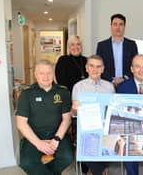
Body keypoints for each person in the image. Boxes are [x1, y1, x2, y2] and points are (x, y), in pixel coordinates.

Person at [15, 60, 74, 175]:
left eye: (49, 73)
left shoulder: (63, 92)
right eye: (42, 73)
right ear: (35, 75)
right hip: (34, 136)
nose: (46, 76)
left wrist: (56, 140)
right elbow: (21, 123)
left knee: (67, 158)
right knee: (26, 163)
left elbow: (67, 119)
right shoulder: (26, 94)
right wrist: (39, 143)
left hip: (57, 135)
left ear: (53, 74)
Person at [72, 55, 115, 175]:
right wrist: (74, 109)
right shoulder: (78, 87)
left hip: (106, 130)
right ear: (86, 68)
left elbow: (113, 110)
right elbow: (74, 114)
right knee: (87, 146)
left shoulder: (110, 87)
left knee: (114, 145)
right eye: (91, 66)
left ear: (103, 69)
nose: (95, 69)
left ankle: (93, 171)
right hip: (86, 131)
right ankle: (101, 171)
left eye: (98, 66)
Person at [55, 35, 89, 173]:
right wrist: (72, 102)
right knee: (76, 132)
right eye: (72, 45)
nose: (76, 47)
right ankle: (77, 156)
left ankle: (88, 163)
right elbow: (62, 84)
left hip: (86, 103)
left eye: (78, 44)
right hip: (70, 102)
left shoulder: (86, 60)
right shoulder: (63, 60)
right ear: (68, 47)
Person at [96, 13, 138, 86]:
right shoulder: (102, 45)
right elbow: (99, 65)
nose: (118, 27)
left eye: (121, 24)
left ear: (124, 27)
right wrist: (112, 80)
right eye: (115, 24)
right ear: (111, 26)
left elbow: (135, 64)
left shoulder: (131, 45)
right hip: (107, 84)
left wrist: (124, 78)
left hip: (127, 83)